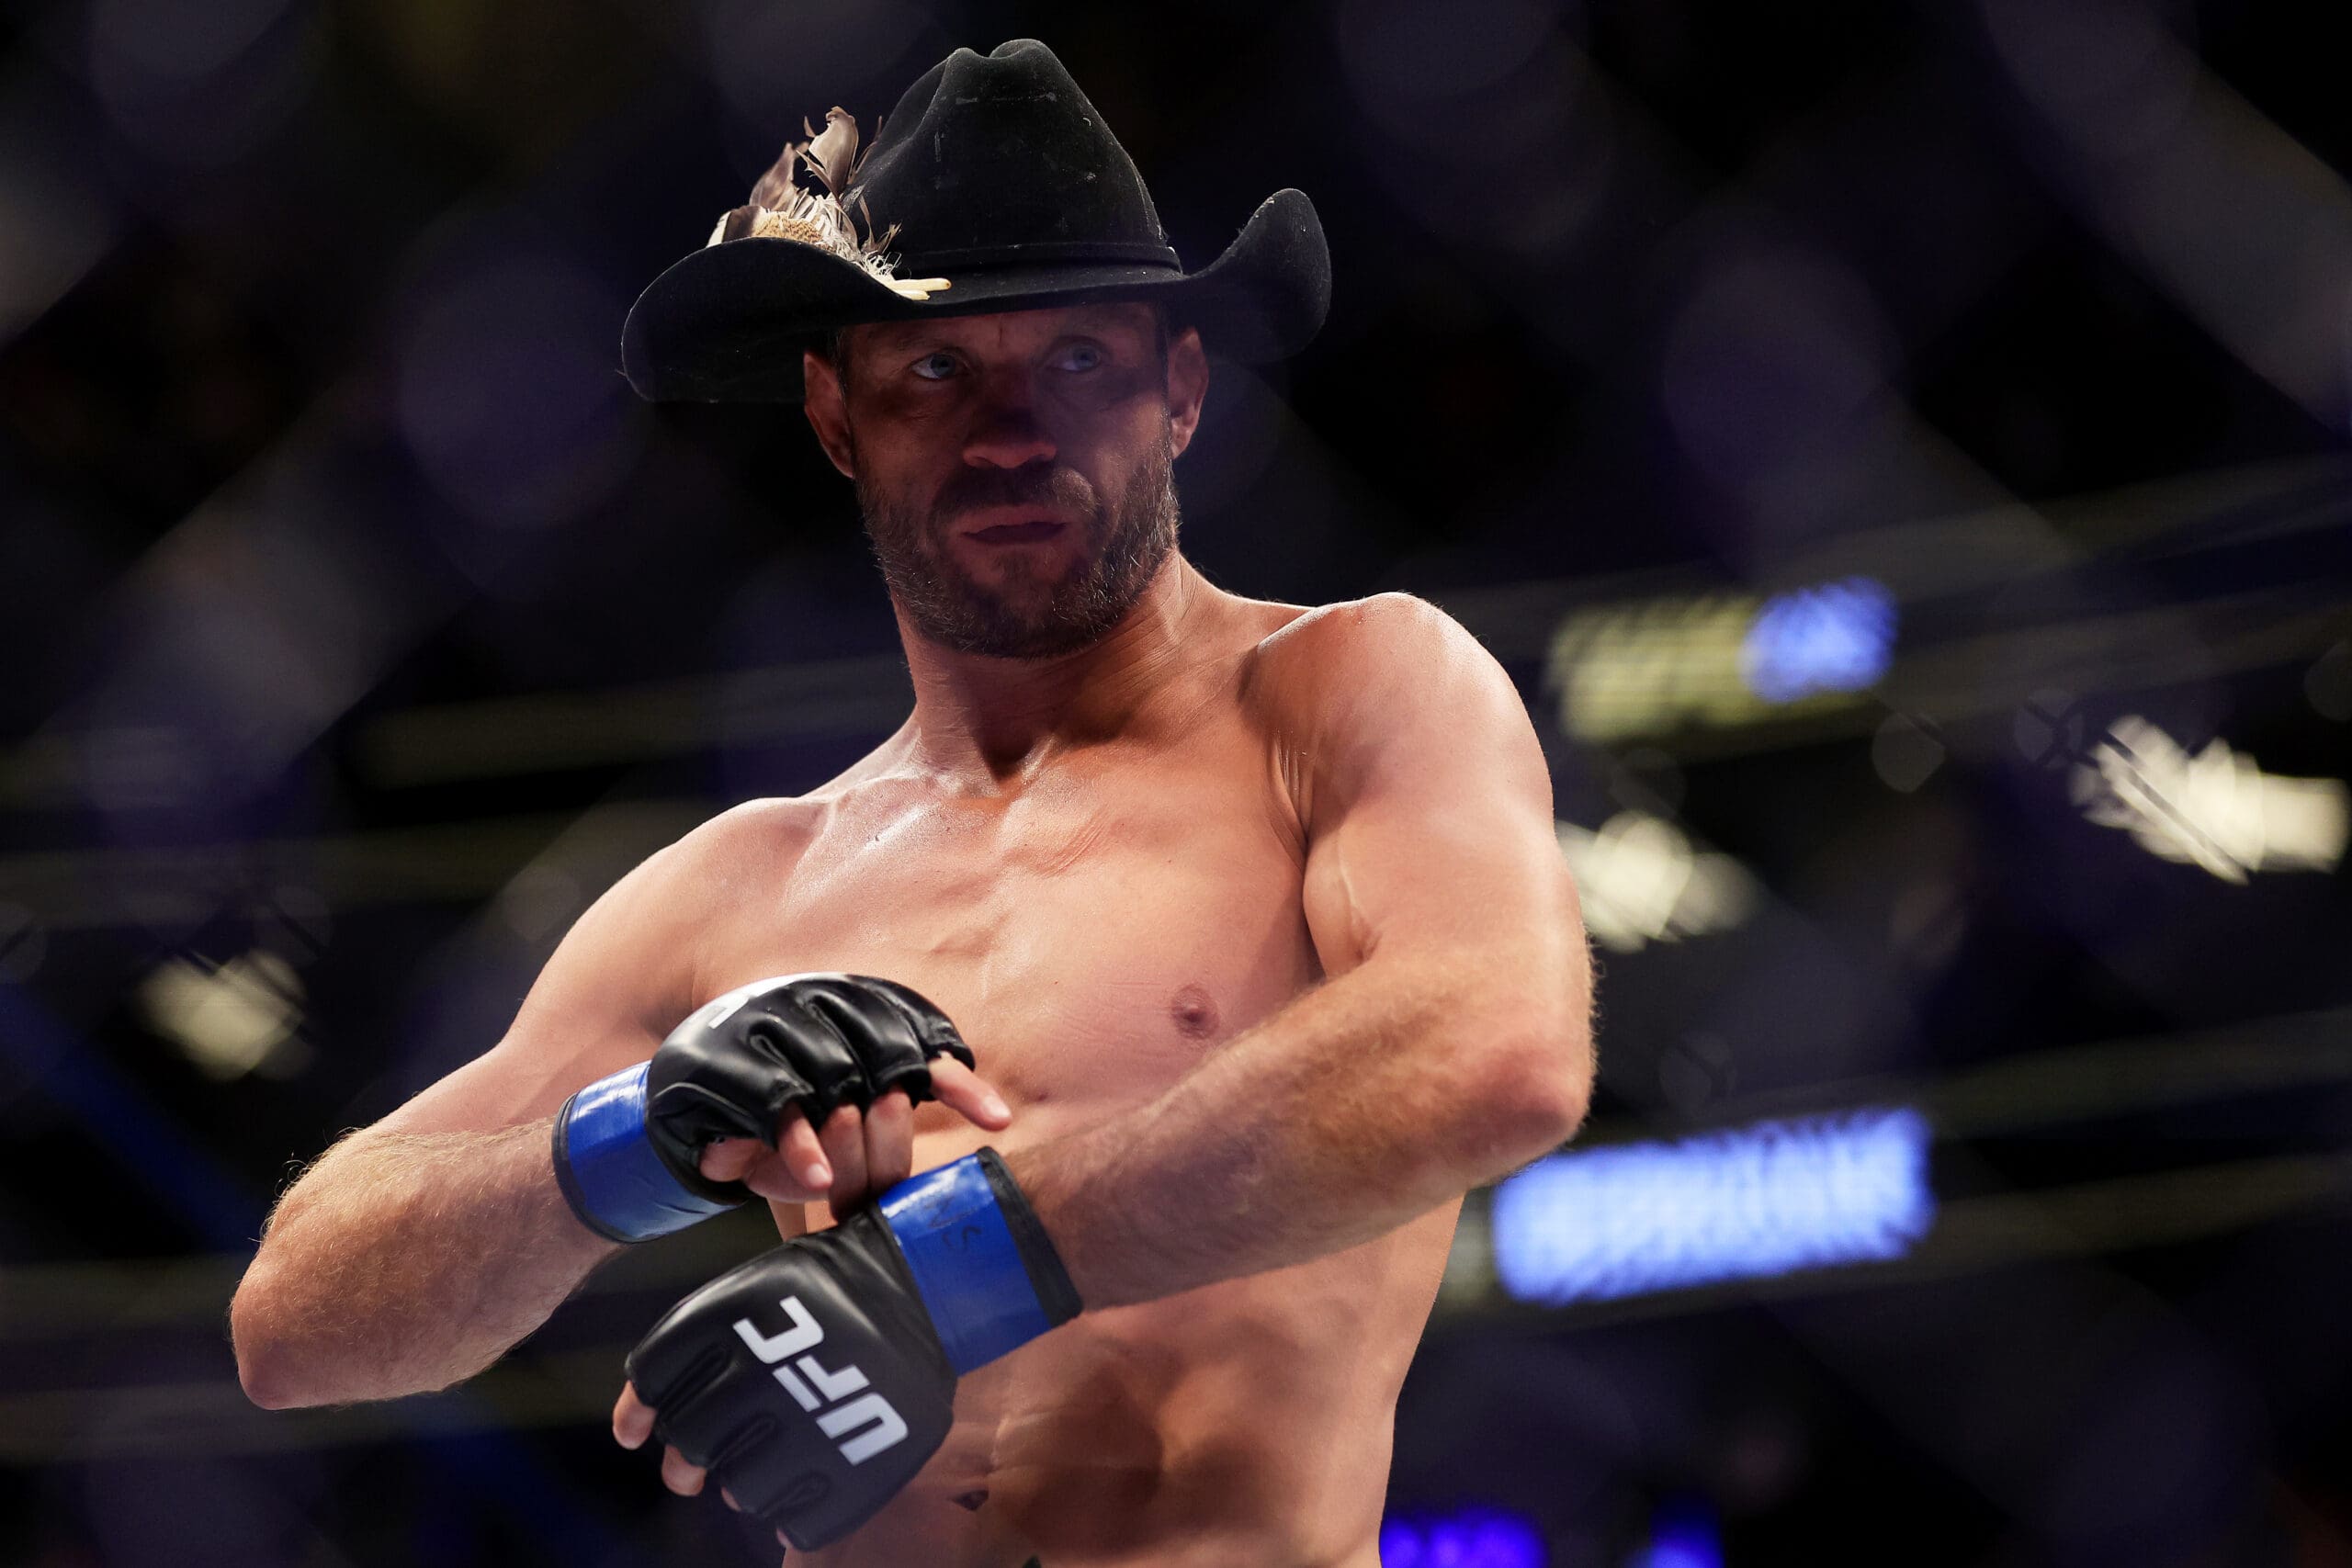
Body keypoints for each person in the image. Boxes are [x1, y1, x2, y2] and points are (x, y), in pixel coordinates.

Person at [230, 38, 1595, 1568]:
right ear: (836, 418)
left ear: (1182, 390)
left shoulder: (1342, 696)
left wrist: (950, 1268)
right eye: (938, 373)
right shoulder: (743, 888)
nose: (1011, 432)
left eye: (1077, 362)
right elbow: (292, 1324)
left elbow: (1498, 1051)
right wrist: (625, 1143)